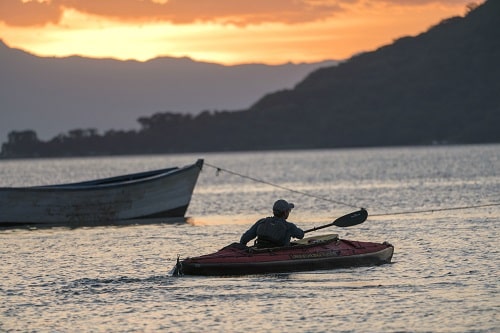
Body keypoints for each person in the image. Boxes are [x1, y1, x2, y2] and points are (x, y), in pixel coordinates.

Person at [240, 199, 304, 248]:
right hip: (279, 254)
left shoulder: (262, 221)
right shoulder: (289, 226)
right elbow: (301, 235)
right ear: (285, 213)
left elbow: (244, 239)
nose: (289, 212)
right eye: (289, 211)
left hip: (260, 251)